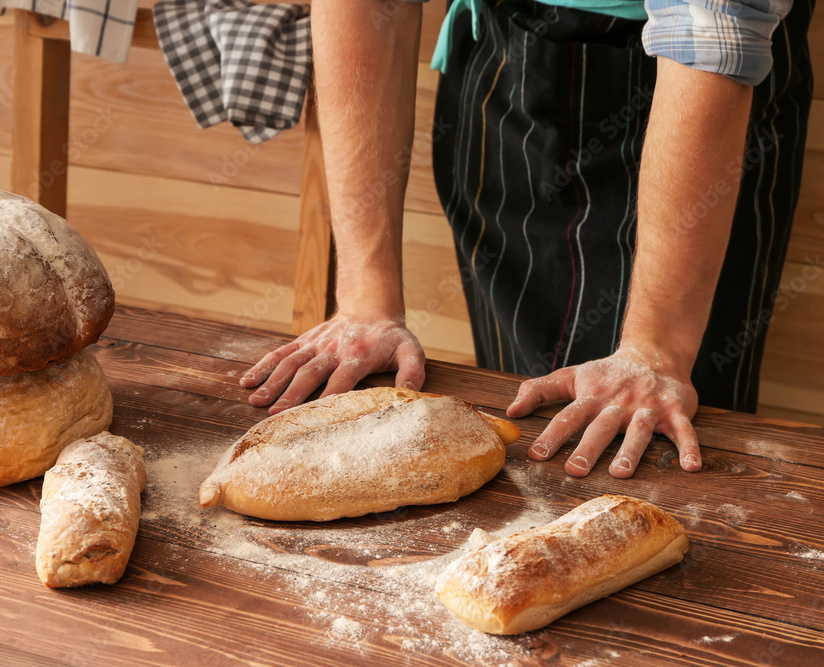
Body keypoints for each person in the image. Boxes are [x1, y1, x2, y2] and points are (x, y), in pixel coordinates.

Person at [239, 0, 814, 477]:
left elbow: (710, 37)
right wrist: (366, 302)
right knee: (529, 446)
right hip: (503, 59)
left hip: (688, 91)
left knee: (657, 435)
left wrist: (656, 350)